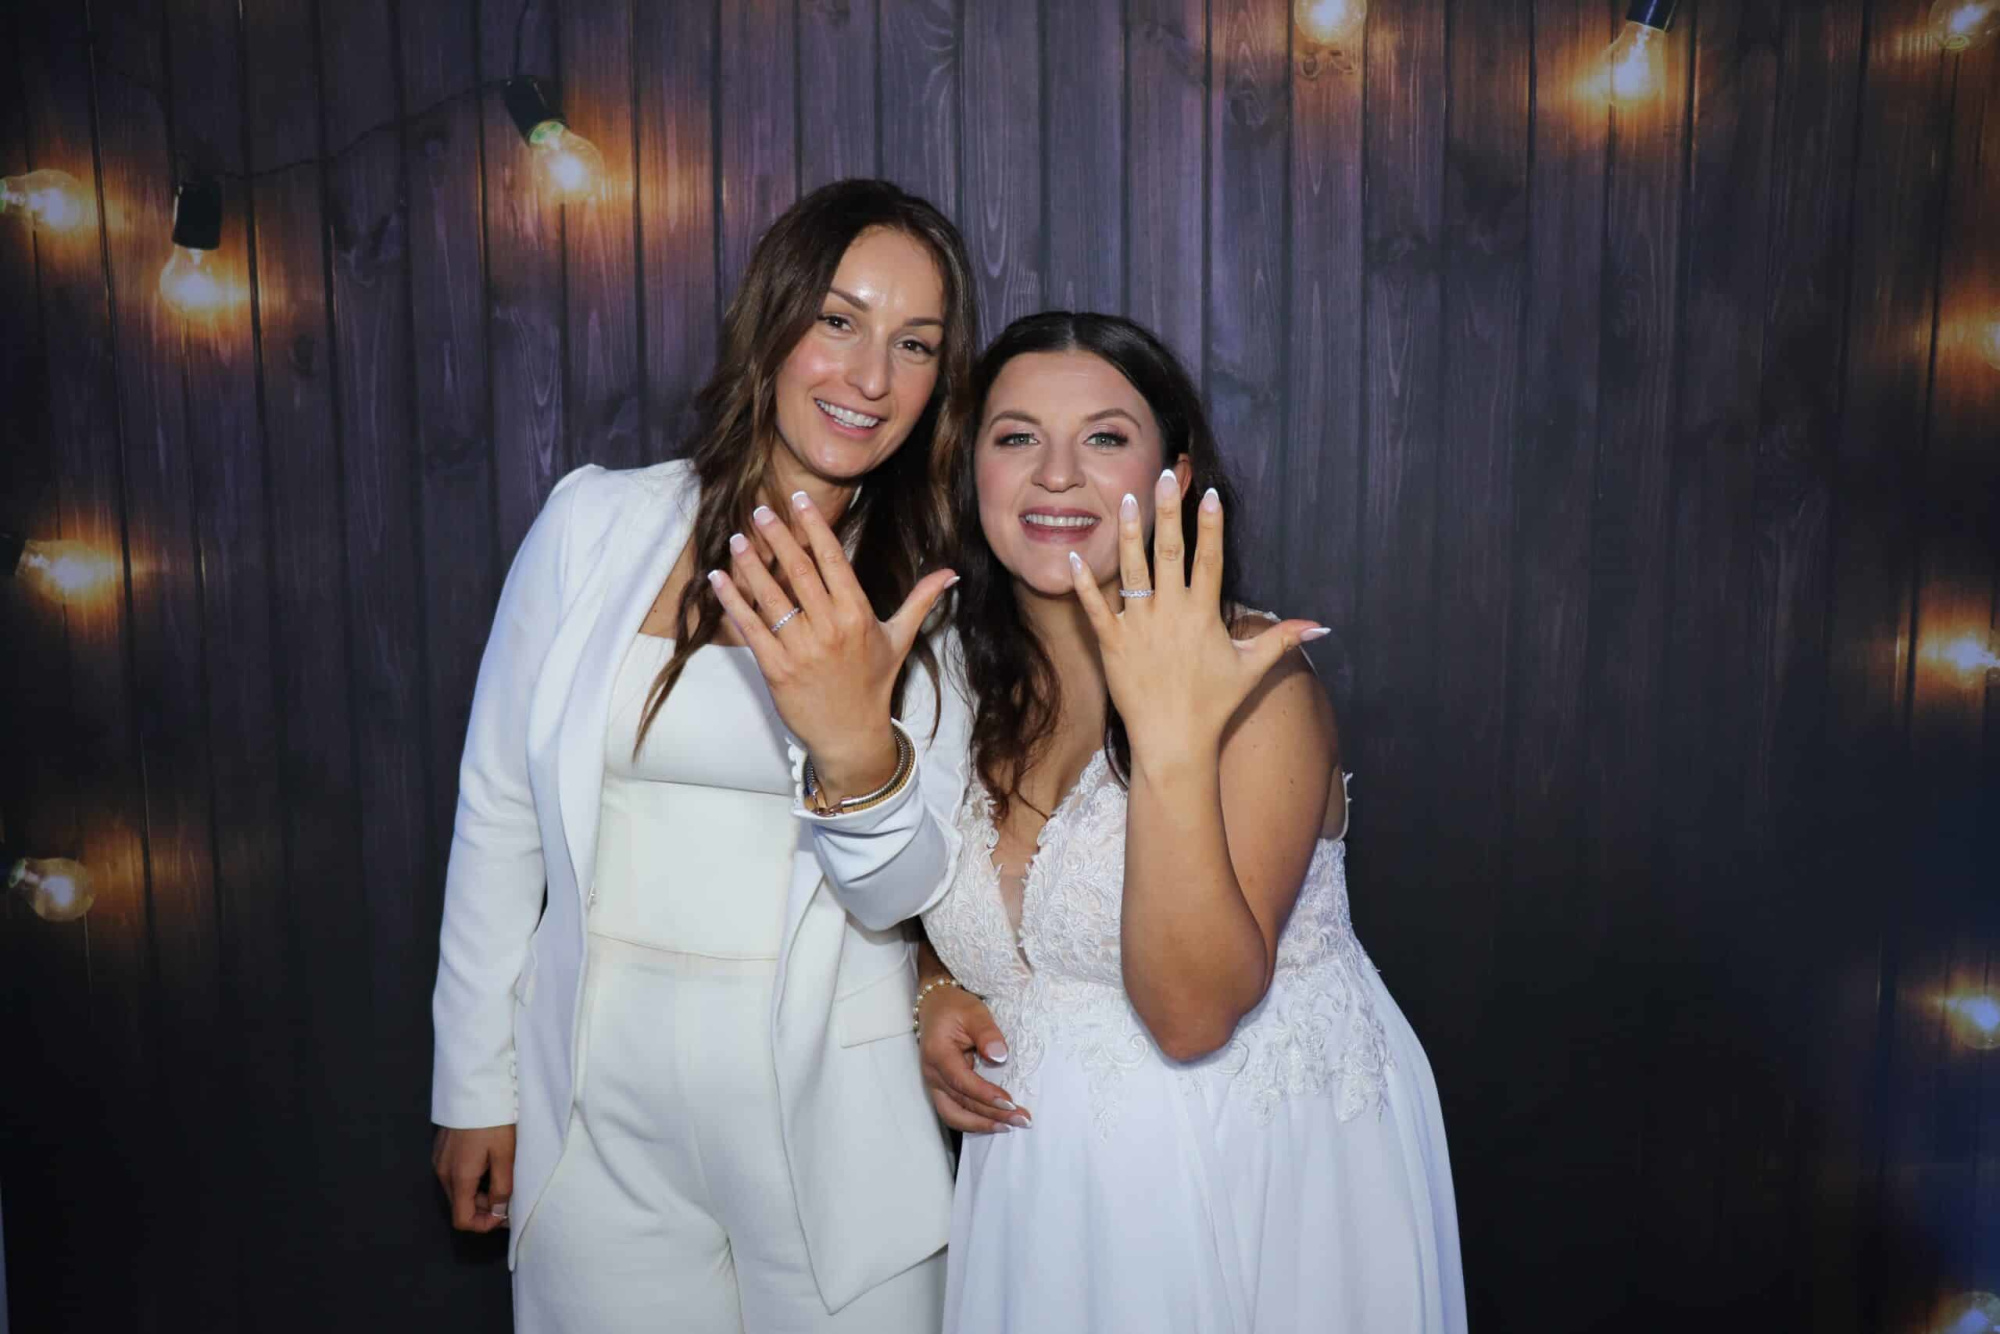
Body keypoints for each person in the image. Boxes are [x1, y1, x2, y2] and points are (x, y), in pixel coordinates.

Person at [755, 311, 1466, 1332]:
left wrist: (1171, 741)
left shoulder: (1255, 683)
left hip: (1244, 1173)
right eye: (1015, 438)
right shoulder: (947, 671)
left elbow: (1189, 1014)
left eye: (1101, 437)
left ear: (1170, 471)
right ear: (972, 472)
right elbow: (927, 890)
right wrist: (935, 978)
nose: (1055, 474)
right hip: (1042, 1194)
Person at [428, 178, 981, 1333]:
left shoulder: (929, 592)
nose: (870, 377)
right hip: (597, 1107)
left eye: (913, 343)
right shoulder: (597, 524)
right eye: (838, 320)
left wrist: (851, 744)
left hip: (836, 1118)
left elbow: (903, 886)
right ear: (770, 323)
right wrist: (474, 1082)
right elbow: (498, 812)